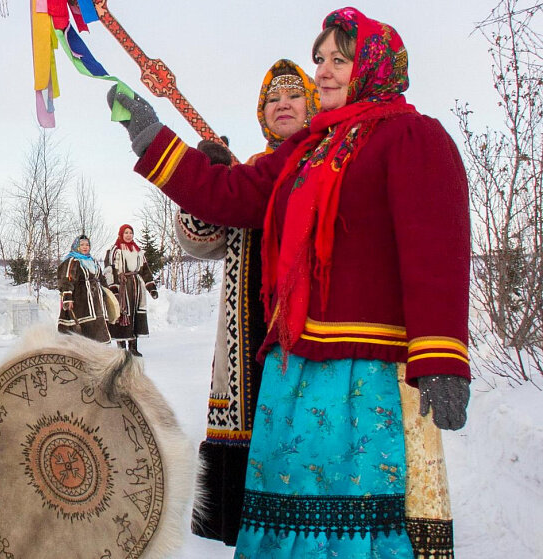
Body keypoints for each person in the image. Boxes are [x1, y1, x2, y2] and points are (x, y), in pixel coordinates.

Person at [109, 7, 468, 558]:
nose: (323, 71)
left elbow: (435, 250)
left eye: (339, 61)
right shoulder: (308, 151)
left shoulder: (410, 137)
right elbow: (229, 194)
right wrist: (153, 140)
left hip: (365, 366)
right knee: (288, 514)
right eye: (320, 58)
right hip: (292, 368)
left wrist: (441, 356)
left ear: (373, 66)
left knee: (360, 515)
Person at [175, 60, 318, 546]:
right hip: (247, 340)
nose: (283, 103)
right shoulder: (248, 175)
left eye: (294, 95)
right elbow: (199, 240)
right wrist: (209, 175)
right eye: (273, 99)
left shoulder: (327, 166)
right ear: (263, 115)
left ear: (311, 105)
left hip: (310, 334)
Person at [104, 224, 158, 356]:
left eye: (131, 233)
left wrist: (151, 287)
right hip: (122, 286)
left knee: (134, 315)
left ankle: (133, 347)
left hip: (136, 287)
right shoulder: (114, 250)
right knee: (122, 314)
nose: (128, 235)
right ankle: (121, 346)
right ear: (121, 234)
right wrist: (114, 289)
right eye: (126, 232)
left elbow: (145, 270)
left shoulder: (138, 250)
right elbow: (109, 270)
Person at [57, 234, 112, 343]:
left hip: (96, 302)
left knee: (97, 328)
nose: (85, 247)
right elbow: (66, 280)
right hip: (80, 301)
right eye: (82, 245)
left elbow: (101, 279)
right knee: (82, 329)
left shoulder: (93, 261)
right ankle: (83, 353)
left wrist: (107, 293)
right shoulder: (72, 261)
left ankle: (98, 353)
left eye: (87, 245)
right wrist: (67, 298)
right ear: (76, 246)